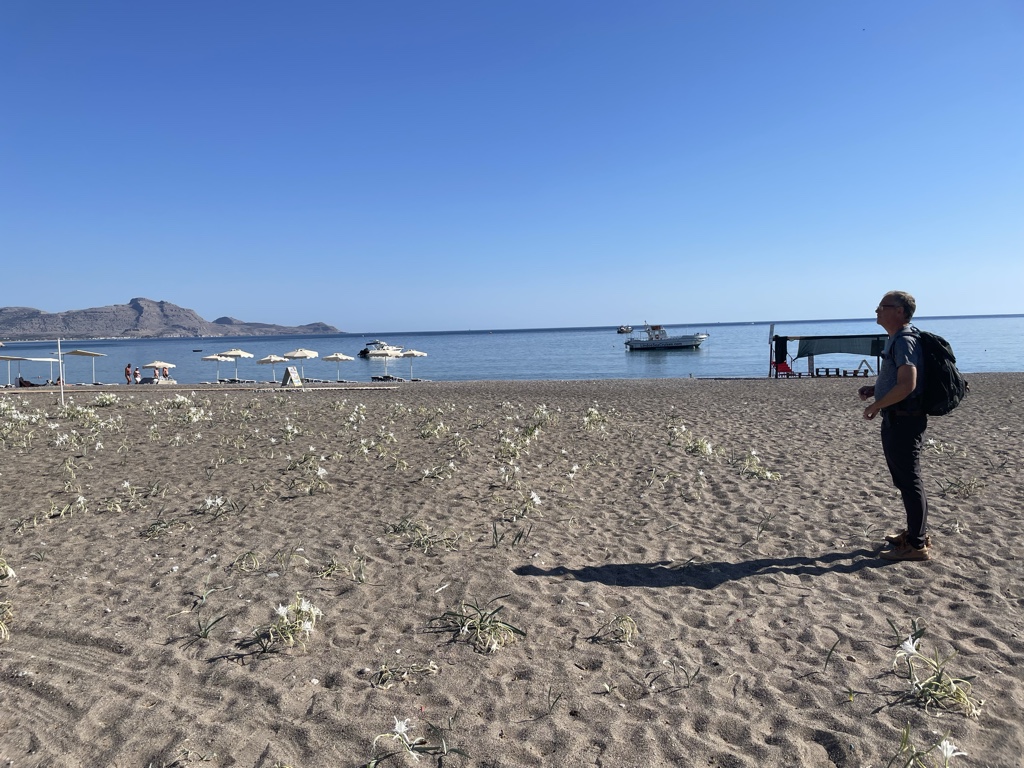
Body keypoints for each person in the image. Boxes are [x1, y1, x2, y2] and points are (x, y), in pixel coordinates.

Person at [859, 291, 931, 561]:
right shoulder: (898, 339)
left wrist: (876, 405)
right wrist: (875, 390)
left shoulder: (904, 339)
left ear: (900, 311)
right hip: (899, 417)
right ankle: (915, 533)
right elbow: (897, 381)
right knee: (905, 480)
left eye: (882, 306)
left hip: (904, 419)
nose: (876, 310)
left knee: (910, 481)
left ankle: (916, 544)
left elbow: (907, 384)